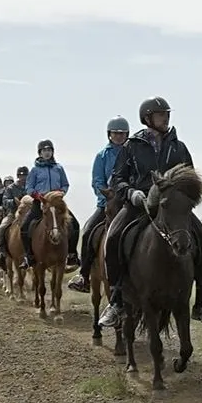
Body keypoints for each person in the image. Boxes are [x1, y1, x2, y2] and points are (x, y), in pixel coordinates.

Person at [98, 96, 202, 327]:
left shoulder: (179, 147)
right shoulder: (131, 146)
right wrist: (131, 193)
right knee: (113, 238)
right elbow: (117, 179)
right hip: (138, 205)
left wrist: (184, 199)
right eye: (160, 115)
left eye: (166, 115)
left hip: (171, 207)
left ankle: (201, 302)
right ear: (147, 118)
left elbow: (191, 179)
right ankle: (116, 301)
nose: (165, 119)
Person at [69, 116, 131, 292]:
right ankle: (84, 276)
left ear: (127, 134)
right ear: (109, 134)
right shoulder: (102, 156)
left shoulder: (133, 153)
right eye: (115, 133)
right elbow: (97, 181)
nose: (119, 136)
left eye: (122, 133)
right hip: (108, 203)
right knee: (88, 231)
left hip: (129, 202)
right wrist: (107, 196)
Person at [20, 142, 81, 268]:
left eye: (49, 150)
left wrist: (61, 192)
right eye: (44, 150)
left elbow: (65, 184)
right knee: (25, 227)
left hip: (57, 202)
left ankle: (72, 254)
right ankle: (29, 256)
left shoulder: (59, 168)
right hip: (40, 202)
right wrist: (37, 195)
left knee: (75, 224)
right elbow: (29, 187)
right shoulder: (35, 170)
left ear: (52, 152)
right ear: (40, 153)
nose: (47, 153)